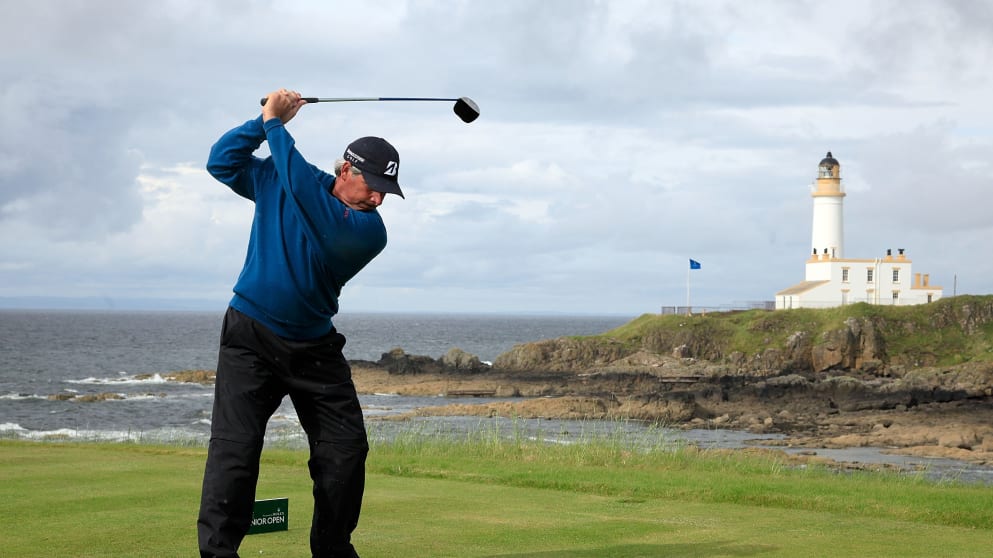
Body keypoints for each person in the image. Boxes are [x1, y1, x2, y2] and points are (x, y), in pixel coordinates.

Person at [197, 88, 404, 558]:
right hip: (250, 337)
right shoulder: (285, 177)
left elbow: (307, 199)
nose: (378, 197)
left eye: (386, 191)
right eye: (372, 185)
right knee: (235, 450)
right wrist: (261, 124)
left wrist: (276, 123)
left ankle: (332, 551)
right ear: (346, 170)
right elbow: (221, 162)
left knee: (345, 449)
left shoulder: (368, 232)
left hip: (314, 348)